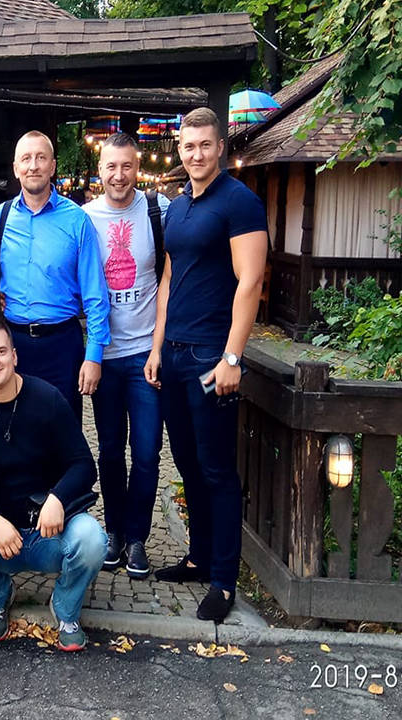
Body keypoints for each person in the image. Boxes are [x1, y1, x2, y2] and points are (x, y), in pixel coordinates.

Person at [145, 107, 267, 623]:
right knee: (188, 463)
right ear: (180, 148)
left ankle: (223, 579)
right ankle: (197, 557)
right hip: (174, 353)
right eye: (188, 145)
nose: (195, 154)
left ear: (220, 147)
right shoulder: (177, 208)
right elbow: (169, 279)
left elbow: (250, 281)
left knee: (217, 469)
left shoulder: (239, 202)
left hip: (211, 356)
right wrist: (156, 347)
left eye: (204, 145)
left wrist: (233, 356)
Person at [0, 317, 106, 651]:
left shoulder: (48, 398)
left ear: (15, 355)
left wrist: (57, 498)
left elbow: (84, 465)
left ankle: (65, 608)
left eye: (1, 352)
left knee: (92, 539)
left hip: (49, 533)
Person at [82, 132, 169, 579]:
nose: (119, 175)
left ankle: (138, 538)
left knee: (149, 451)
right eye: (111, 167)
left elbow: (174, 273)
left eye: (127, 166)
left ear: (138, 168)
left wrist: (159, 347)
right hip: (107, 355)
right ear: (100, 170)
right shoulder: (85, 218)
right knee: (111, 450)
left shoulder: (158, 211)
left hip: (144, 354)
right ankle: (114, 531)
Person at [0, 131, 110, 421]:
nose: (33, 166)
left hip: (62, 345)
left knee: (62, 430)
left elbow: (95, 294)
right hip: (13, 344)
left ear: (52, 166)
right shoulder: (1, 218)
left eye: (41, 158)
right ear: (16, 168)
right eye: (26, 159)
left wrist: (93, 355)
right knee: (15, 429)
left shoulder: (77, 220)